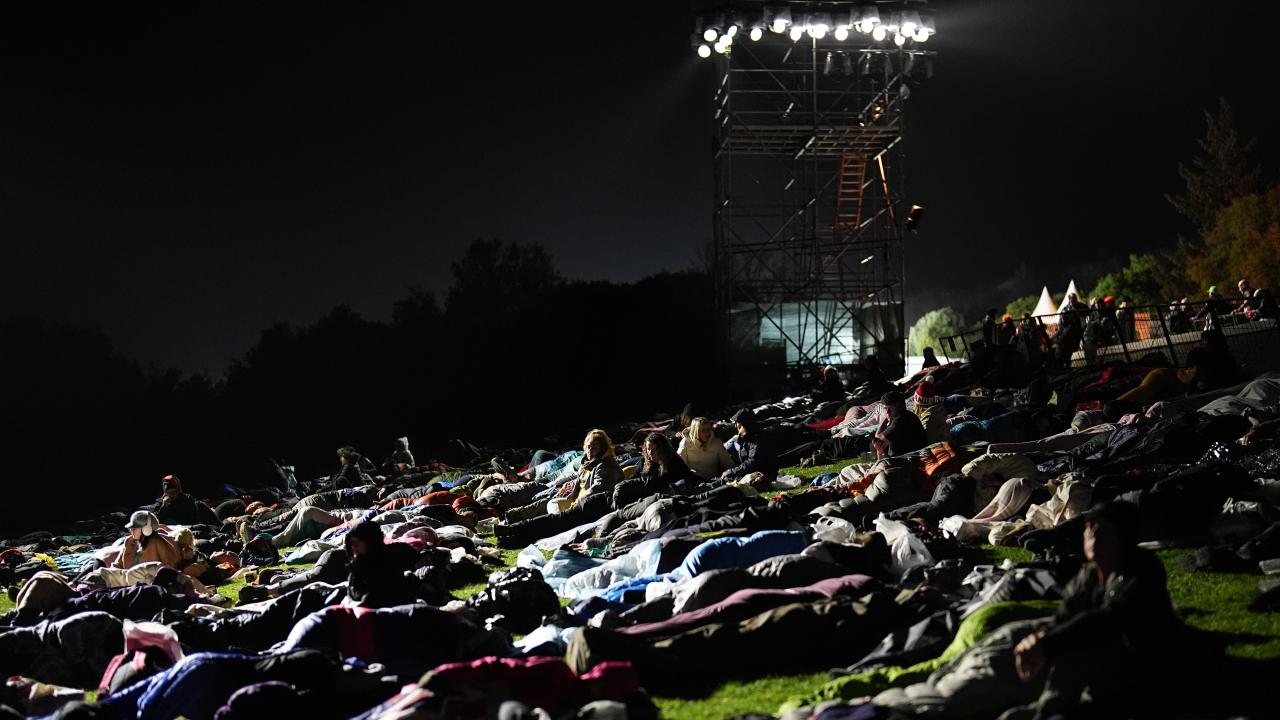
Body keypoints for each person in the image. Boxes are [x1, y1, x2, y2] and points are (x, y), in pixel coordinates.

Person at [1007, 501, 1179, 719]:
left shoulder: (1142, 569)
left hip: (1143, 668)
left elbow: (1113, 618)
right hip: (1101, 667)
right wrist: (1040, 637)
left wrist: (1048, 642)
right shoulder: (1088, 575)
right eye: (1090, 528)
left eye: (1105, 530)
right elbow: (1065, 615)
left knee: (1076, 645)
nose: (1095, 536)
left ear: (1123, 537)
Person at [719, 408, 778, 486]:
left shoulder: (757, 438)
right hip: (752, 472)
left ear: (744, 424)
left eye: (737, 422)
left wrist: (732, 471)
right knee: (726, 479)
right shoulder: (746, 437)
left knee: (730, 482)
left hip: (763, 475)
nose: (736, 426)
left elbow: (752, 462)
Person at [113, 511, 184, 569]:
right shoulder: (129, 541)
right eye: (130, 529)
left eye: (134, 528)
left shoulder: (158, 542)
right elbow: (117, 565)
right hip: (127, 581)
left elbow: (171, 568)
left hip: (147, 582)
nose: (131, 531)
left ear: (146, 529)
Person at [871, 391, 927, 459]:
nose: (888, 412)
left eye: (890, 408)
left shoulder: (901, 420)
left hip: (908, 462)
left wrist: (885, 420)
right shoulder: (907, 416)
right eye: (886, 408)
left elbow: (877, 440)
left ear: (900, 406)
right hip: (907, 459)